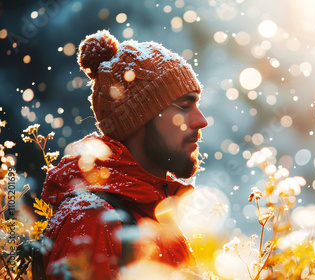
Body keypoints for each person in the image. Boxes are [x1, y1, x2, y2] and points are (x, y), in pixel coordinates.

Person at [40, 30, 208, 279]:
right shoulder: (90, 220)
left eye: (197, 105)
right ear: (139, 118)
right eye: (184, 106)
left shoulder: (150, 213)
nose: (201, 121)